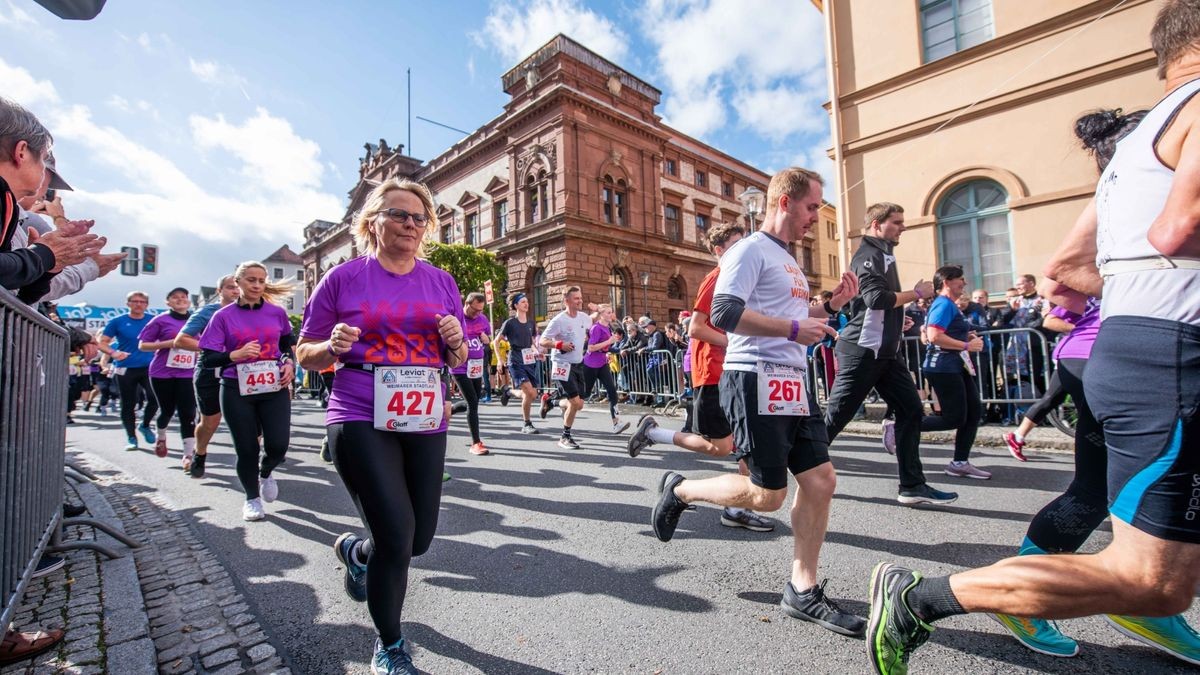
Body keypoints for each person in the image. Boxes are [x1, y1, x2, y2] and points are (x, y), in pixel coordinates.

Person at [867, 7, 1200, 671]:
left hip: (1136, 350)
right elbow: (1173, 232)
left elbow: (1066, 273)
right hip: (1166, 357)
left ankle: (1141, 598)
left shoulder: (1137, 144)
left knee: (1101, 508)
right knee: (1150, 569)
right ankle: (924, 596)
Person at [648, 167, 865, 637]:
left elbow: (791, 315)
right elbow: (724, 311)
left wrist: (830, 307)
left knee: (821, 480)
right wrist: (792, 329)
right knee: (767, 497)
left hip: (791, 379)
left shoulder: (788, 260)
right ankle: (681, 490)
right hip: (753, 380)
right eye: (811, 207)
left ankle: (802, 589)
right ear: (784, 202)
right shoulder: (747, 250)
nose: (814, 218)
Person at [296, 177, 466, 675]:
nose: (410, 225)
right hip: (358, 408)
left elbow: (455, 357)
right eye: (399, 214)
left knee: (418, 540)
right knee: (396, 536)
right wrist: (333, 347)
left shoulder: (441, 281)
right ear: (373, 222)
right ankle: (389, 644)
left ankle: (356, 551)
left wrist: (456, 341)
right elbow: (305, 354)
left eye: (419, 218)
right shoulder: (344, 278)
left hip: (423, 412)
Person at [627, 222, 775, 532]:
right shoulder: (717, 277)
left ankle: (736, 509)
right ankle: (657, 438)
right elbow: (695, 328)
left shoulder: (740, 275)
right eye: (737, 245)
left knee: (742, 445)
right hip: (714, 372)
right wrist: (736, 342)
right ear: (720, 251)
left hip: (737, 371)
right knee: (723, 447)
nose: (744, 250)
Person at [822, 203, 958, 505]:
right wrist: (918, 294)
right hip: (863, 350)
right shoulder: (869, 255)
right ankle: (796, 464)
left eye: (901, 222)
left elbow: (880, 306)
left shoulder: (883, 254)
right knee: (835, 418)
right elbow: (875, 299)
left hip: (885, 351)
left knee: (911, 410)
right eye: (896, 222)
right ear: (876, 225)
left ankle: (912, 485)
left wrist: (899, 319)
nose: (903, 227)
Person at [199, 261, 296, 522]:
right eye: (251, 280)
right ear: (238, 283)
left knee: (278, 445)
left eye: (261, 280)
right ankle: (252, 498)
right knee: (246, 448)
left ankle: (265, 472)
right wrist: (234, 355)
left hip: (273, 386)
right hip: (235, 388)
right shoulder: (223, 316)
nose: (256, 285)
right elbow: (207, 358)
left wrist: (289, 363)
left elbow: (287, 344)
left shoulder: (276, 314)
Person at [0, 97, 101, 298]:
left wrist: (49, 267)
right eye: (42, 160)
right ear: (21, 152)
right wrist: (44, 254)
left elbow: (18, 296)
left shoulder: (7, 203)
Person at [917, 265, 989, 479]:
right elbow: (933, 336)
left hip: (956, 365)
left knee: (973, 413)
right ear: (947, 282)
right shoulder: (943, 304)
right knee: (954, 418)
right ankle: (901, 424)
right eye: (960, 279)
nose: (964, 283)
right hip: (944, 367)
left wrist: (965, 337)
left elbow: (941, 333)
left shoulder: (948, 305)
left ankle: (959, 462)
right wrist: (967, 346)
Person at [173, 274, 240, 476]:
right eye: (230, 287)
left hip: (241, 372)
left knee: (250, 419)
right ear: (219, 291)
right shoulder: (208, 312)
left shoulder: (255, 311)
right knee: (210, 421)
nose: (235, 291)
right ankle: (200, 452)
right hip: (211, 371)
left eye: (237, 287)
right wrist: (216, 350)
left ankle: (250, 463)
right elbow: (181, 340)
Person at [137, 287, 197, 460]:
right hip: (162, 372)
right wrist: (169, 343)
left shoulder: (196, 321)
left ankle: (188, 455)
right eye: (175, 297)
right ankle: (161, 436)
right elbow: (143, 345)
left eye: (184, 297)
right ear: (168, 302)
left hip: (187, 372)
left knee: (188, 413)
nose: (180, 300)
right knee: (167, 410)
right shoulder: (160, 320)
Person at [100, 292, 160, 451]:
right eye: (135, 301)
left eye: (142, 302)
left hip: (149, 366)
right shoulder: (117, 321)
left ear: (147, 304)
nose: (138, 304)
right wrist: (113, 354)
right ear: (128, 303)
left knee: (155, 399)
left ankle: (145, 425)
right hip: (125, 367)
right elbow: (103, 342)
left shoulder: (153, 320)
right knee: (128, 404)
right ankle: (131, 437)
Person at [538, 286, 592, 449]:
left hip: (578, 364)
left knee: (579, 404)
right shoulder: (559, 320)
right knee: (574, 402)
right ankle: (565, 437)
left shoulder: (583, 317)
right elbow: (542, 341)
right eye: (576, 298)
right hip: (562, 364)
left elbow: (594, 319)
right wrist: (559, 344)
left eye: (580, 297)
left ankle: (551, 402)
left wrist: (599, 311)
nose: (580, 300)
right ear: (566, 300)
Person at [451, 292, 492, 456]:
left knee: (473, 401)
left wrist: (486, 339)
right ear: (467, 304)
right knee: (473, 403)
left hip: (476, 366)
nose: (478, 314)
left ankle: (452, 410)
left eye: (481, 310)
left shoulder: (482, 319)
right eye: (475, 310)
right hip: (460, 367)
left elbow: (489, 339)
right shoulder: (457, 318)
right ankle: (476, 442)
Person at [498, 293, 543, 433]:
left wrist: (536, 351)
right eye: (523, 302)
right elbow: (495, 341)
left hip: (529, 360)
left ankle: (508, 391)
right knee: (529, 391)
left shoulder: (531, 323)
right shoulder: (510, 323)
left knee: (532, 394)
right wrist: (500, 360)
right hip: (515, 360)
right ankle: (526, 423)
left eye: (527, 301)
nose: (526, 304)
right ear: (516, 305)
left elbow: (531, 343)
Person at [582, 304, 630, 434]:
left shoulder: (608, 327)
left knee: (612, 392)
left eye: (611, 312)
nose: (611, 314)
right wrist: (609, 342)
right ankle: (553, 400)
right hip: (590, 364)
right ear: (601, 314)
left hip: (602, 364)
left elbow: (606, 348)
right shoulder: (596, 328)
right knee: (584, 394)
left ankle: (616, 423)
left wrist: (618, 350)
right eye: (608, 312)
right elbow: (591, 348)